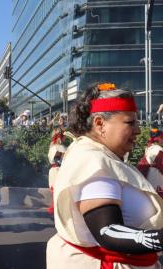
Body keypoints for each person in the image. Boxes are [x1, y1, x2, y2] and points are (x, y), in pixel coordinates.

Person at [47, 83, 163, 269]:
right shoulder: (92, 161)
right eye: (130, 122)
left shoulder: (97, 155)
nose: (138, 130)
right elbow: (108, 231)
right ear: (100, 123)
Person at [137, 128, 163, 197]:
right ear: (159, 138)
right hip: (157, 181)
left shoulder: (150, 148)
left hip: (151, 180)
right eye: (162, 137)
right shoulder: (157, 150)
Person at [47, 128, 67, 214]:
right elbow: (57, 160)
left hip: (53, 170)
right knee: (61, 193)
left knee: (56, 193)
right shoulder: (59, 147)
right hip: (59, 170)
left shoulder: (52, 146)